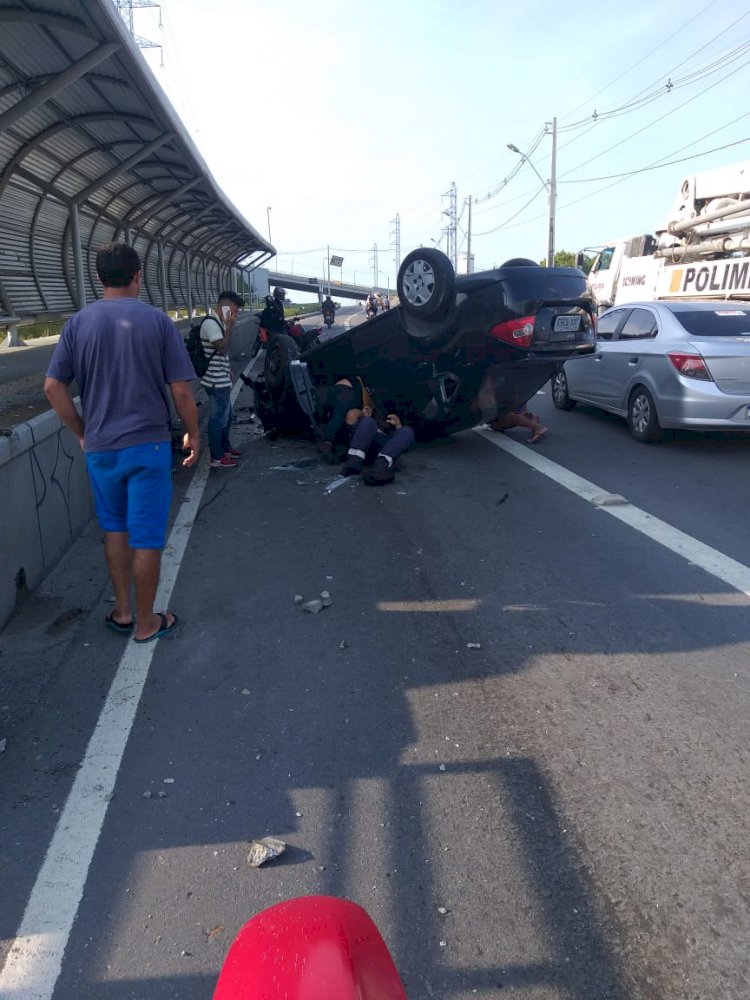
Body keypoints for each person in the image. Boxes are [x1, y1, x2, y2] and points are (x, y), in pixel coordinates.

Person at [43, 242, 199, 643]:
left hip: (101, 448)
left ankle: (124, 611)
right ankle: (149, 622)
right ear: (138, 276)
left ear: (98, 278)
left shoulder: (78, 324)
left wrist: (81, 431)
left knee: (114, 530)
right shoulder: (158, 322)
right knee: (146, 536)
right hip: (148, 446)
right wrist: (193, 433)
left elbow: (52, 387)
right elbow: (180, 390)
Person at [318, 377, 414, 486]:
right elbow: (351, 416)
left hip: (383, 448)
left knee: (407, 431)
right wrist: (363, 414)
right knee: (368, 422)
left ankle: (380, 467)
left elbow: (400, 444)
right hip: (362, 444)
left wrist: (398, 425)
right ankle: (352, 465)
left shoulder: (384, 411)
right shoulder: (360, 410)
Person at [200, 290, 245, 468]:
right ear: (224, 308)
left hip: (221, 378)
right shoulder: (211, 324)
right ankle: (217, 457)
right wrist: (231, 326)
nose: (235, 315)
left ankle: (226, 449)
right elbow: (222, 349)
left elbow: (221, 356)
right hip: (214, 381)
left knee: (226, 417)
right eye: (233, 311)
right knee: (218, 419)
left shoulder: (219, 323)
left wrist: (227, 370)